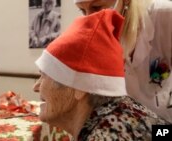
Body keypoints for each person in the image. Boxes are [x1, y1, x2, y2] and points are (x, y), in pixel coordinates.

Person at [33, 9, 169, 141]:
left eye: (44, 75)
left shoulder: (105, 135)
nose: (36, 86)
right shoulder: (122, 109)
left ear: (79, 88)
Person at [73, 0, 172, 123]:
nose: (89, 18)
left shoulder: (166, 15)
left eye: (97, 7)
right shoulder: (93, 38)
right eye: (82, 11)